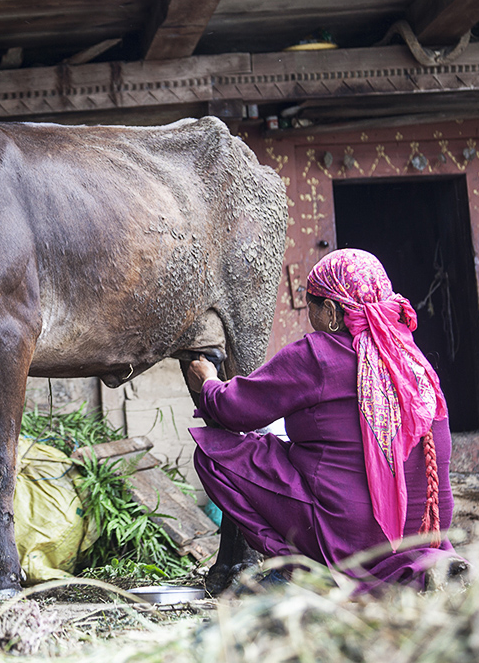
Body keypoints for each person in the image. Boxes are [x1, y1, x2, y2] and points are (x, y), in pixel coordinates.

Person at [185, 248, 458, 594]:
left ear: (330, 312)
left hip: (353, 536)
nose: (308, 314)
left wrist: (208, 381)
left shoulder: (318, 355)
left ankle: (301, 570)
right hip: (424, 533)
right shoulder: (410, 354)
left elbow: (234, 409)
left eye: (311, 304)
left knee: (213, 453)